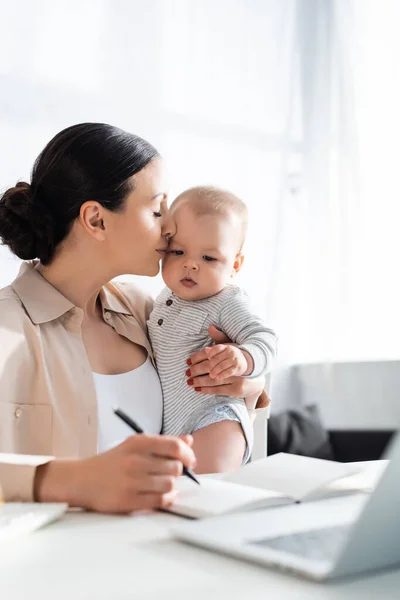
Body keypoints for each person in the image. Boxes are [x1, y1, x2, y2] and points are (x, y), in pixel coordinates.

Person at [0, 123, 268, 513]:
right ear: (96, 220)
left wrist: (243, 383)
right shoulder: (6, 327)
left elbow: (222, 413)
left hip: (162, 547)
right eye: (158, 209)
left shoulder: (149, 311)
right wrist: (72, 480)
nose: (171, 228)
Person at [148, 187, 277, 472]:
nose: (190, 264)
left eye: (209, 258)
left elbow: (265, 339)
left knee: (208, 491)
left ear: (235, 265)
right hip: (173, 427)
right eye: (178, 251)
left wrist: (243, 358)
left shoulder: (226, 301)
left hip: (216, 418)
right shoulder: (163, 299)